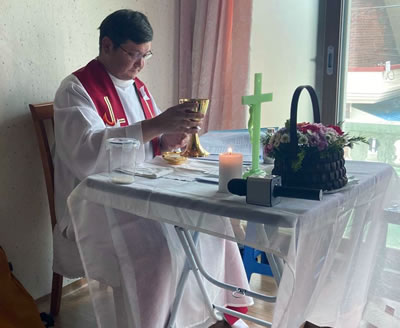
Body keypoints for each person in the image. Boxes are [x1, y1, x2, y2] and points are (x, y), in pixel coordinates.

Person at [53, 9, 252, 328]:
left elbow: (153, 141)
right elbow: (85, 155)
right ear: (107, 45)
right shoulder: (75, 90)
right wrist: (155, 126)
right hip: (96, 203)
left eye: (146, 55)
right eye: (134, 54)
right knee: (159, 253)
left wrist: (170, 137)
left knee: (212, 224)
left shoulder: (139, 88)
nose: (141, 64)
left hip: (143, 190)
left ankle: (218, 313)